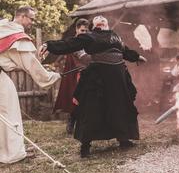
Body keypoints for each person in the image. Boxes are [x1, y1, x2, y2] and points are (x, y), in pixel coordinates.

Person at [39, 15, 146, 158]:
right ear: (94, 26)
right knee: (92, 111)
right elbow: (70, 43)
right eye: (97, 19)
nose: (100, 19)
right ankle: (85, 147)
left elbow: (124, 51)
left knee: (120, 107)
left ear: (107, 25)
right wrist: (49, 45)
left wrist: (136, 57)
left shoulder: (116, 37)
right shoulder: (89, 36)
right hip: (98, 80)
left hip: (118, 79)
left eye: (103, 19)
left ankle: (124, 139)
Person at [0, 6, 61, 164]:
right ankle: (12, 154)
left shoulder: (2, 28)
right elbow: (31, 64)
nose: (32, 23)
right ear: (21, 17)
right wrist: (51, 76)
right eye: (31, 19)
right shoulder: (16, 36)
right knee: (9, 112)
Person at [53, 18, 91, 134]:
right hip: (76, 74)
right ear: (77, 29)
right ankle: (71, 121)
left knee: (87, 98)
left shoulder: (88, 41)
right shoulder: (74, 42)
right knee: (76, 100)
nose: (84, 33)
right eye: (82, 30)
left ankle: (86, 125)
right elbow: (84, 57)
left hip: (87, 73)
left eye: (86, 31)